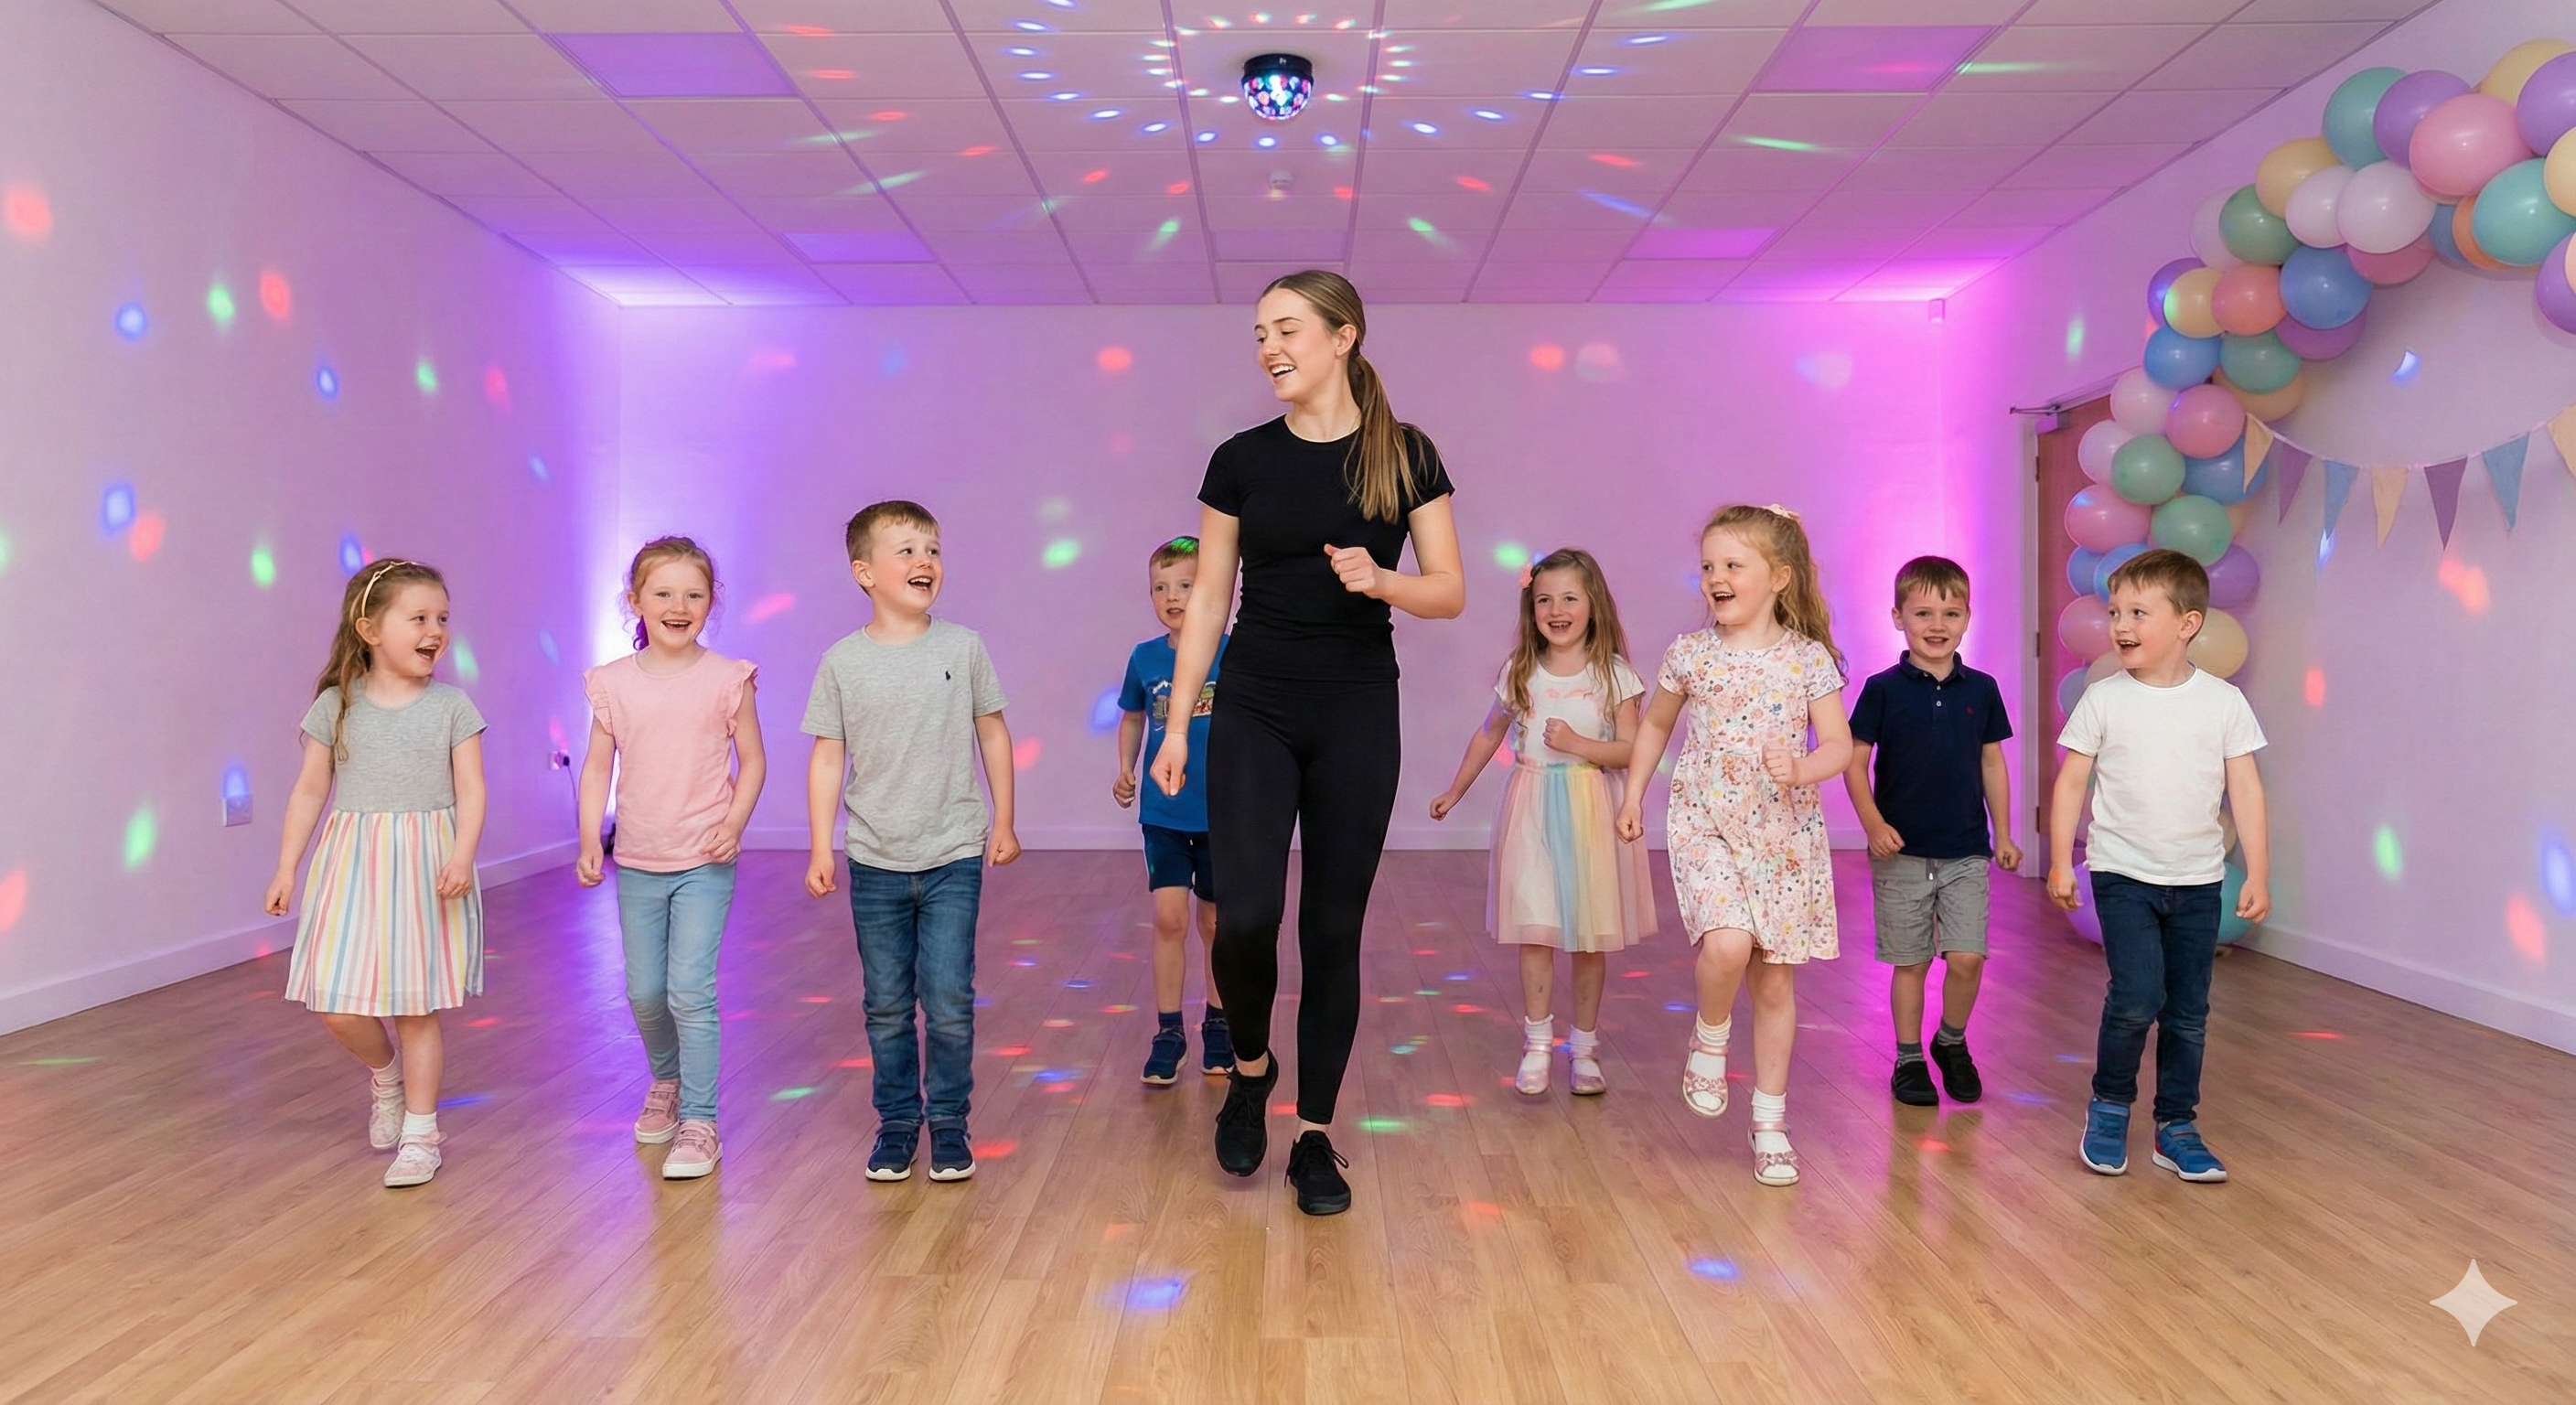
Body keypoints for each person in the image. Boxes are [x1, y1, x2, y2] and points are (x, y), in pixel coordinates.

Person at [1151, 270, 1464, 1217]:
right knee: (1242, 916)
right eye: (1257, 334)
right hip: (1254, 703)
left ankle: (1316, 1136)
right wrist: (1175, 723)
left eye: (1285, 328)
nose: (1267, 347)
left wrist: (1382, 580)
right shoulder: (1238, 458)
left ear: (1343, 337)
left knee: (1331, 929)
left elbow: (1446, 588)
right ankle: (1251, 1067)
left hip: (1357, 707)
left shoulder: (1404, 456)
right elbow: (1208, 597)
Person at [1619, 505, 1849, 1187]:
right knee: (1726, 944)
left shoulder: (1808, 661)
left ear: (1779, 577)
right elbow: (1655, 728)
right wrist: (1632, 795)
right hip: (1706, 821)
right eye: (1709, 566)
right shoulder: (1690, 654)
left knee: (1775, 982)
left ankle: (1770, 1122)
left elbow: (1838, 745)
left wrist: (1803, 769)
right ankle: (1710, 1036)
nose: (1715, 578)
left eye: (1732, 566)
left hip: (1782, 835)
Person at [803, 500, 1020, 1185]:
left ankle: (949, 1120)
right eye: (906, 550)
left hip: (954, 850)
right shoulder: (842, 661)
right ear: (864, 572)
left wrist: (1005, 819)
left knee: (950, 998)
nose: (924, 561)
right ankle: (898, 1122)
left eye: (932, 549)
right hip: (875, 861)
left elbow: (992, 731)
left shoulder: (963, 646)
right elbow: (828, 757)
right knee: (888, 1003)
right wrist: (819, 847)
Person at [263, 559, 487, 1188]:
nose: (435, 630)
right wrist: (287, 867)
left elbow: (472, 791)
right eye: (418, 618)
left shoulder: (452, 706)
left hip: (426, 862)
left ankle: (421, 1134)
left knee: (416, 1006)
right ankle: (386, 1078)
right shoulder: (335, 706)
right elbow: (310, 791)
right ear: (369, 629)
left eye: (442, 618)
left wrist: (463, 855)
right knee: (336, 1001)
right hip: (353, 859)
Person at [2049, 547, 2269, 1184]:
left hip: (2198, 881)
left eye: (2139, 612)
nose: (2120, 625)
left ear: (2188, 623)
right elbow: (2071, 785)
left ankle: (2176, 1125)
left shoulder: (2222, 703)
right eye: (2115, 611)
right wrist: (2063, 861)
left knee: (2188, 1010)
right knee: (2137, 996)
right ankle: (2110, 1106)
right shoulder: (2105, 700)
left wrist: (2255, 871)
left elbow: (2246, 790)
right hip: (2121, 875)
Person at [1429, 548, 1654, 1096]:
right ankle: (1536, 1042)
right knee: (1535, 928)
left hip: (1590, 807)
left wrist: (1579, 744)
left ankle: (1584, 1048)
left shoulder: (1615, 674)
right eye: (1544, 599)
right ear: (1531, 608)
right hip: (1530, 804)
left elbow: (1632, 749)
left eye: (1569, 599)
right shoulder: (1521, 670)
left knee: (1586, 935)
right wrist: (1457, 789)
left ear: (1593, 604)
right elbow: (1489, 732)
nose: (1556, 610)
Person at [575, 536, 766, 1180]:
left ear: (712, 602)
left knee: (691, 990)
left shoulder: (727, 678)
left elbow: (755, 761)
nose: (678, 605)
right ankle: (667, 1081)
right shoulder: (612, 684)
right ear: (635, 602)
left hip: (705, 861)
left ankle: (702, 1120)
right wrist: (585, 842)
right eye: (663, 593)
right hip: (637, 860)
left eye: (694, 594)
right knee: (644, 991)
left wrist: (734, 824)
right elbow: (598, 766)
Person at [1842, 556, 2018, 1108]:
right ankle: (1909, 1057)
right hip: (1902, 852)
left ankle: (1952, 1041)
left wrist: (2005, 833)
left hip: (1966, 848)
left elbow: (1992, 763)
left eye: (1951, 612)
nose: (1937, 624)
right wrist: (1873, 824)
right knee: (1911, 961)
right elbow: (1854, 761)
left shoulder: (1983, 690)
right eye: (1923, 612)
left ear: (1968, 619)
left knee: (1967, 957)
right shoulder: (1882, 690)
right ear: (1898, 617)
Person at [1112, 536, 1232, 1085]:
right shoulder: (1144, 657)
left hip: (1222, 813)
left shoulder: (1231, 651)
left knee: (1213, 922)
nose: (1172, 596)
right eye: (1160, 587)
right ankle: (1168, 1031)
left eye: (1185, 585)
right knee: (1169, 918)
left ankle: (1218, 1024)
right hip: (1164, 813)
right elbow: (1134, 717)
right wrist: (1126, 769)